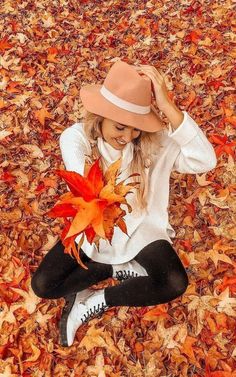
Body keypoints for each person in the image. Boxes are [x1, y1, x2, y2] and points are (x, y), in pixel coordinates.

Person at [31, 60, 217, 347]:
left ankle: (98, 298)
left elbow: (205, 160)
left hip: (140, 230)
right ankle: (113, 269)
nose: (127, 137)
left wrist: (167, 106)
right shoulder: (76, 138)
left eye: (135, 129)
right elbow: (92, 191)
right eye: (120, 127)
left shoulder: (153, 144)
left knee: (174, 283)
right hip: (95, 232)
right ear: (100, 117)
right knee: (44, 285)